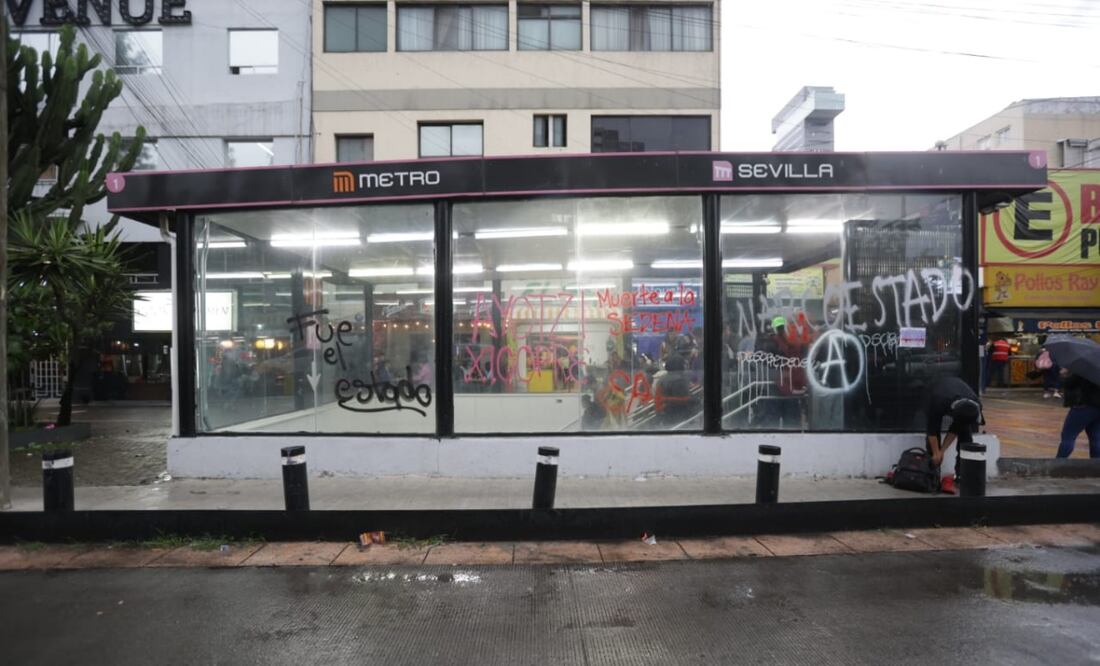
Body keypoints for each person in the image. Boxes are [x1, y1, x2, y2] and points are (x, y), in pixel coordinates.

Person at [925, 376, 983, 494]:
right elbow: (931, 431)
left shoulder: (975, 405)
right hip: (934, 389)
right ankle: (933, 475)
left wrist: (943, 450)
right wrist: (937, 453)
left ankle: (961, 476)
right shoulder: (938, 400)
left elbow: (955, 429)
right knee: (933, 442)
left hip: (957, 395)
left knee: (966, 437)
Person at [1056, 371, 1100, 458]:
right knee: (1096, 438)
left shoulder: (1087, 367)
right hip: (1098, 407)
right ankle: (1096, 466)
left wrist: (1063, 375)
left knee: (1068, 437)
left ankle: (1057, 463)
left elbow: (1070, 383)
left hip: (1084, 406)